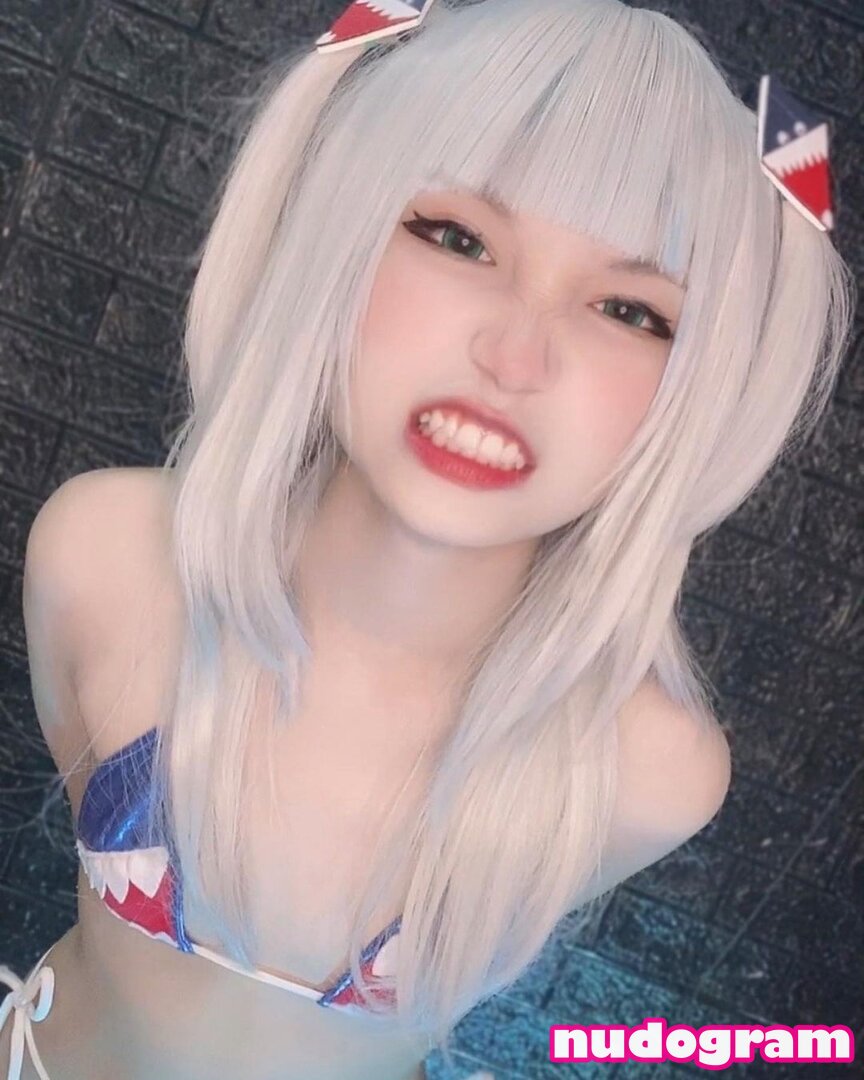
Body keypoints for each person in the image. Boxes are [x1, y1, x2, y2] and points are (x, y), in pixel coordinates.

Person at [0, 0, 854, 1077]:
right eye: (459, 239)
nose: (515, 355)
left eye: (631, 311)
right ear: (337, 228)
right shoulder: (105, 557)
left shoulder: (652, 771)